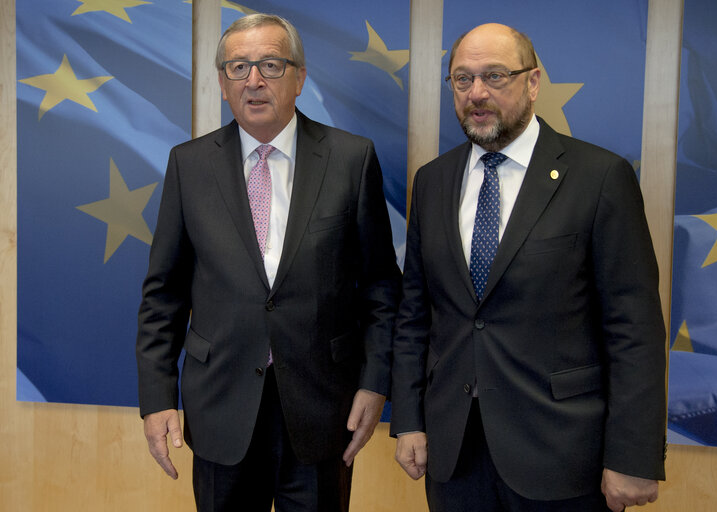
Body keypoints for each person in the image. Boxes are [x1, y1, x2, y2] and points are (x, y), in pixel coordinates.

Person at [391, 23, 667, 512]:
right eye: (462, 79)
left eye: (495, 76)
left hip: (562, 457)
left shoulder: (600, 178)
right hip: (454, 457)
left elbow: (634, 330)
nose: (477, 93)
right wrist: (409, 419)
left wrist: (634, 455)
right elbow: (415, 316)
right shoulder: (432, 182)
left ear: (533, 82)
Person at [136, 13, 401, 512]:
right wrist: (156, 399)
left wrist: (375, 383)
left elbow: (382, 290)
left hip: (324, 411)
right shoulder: (188, 166)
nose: (253, 80)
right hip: (219, 409)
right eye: (238, 67)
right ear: (221, 82)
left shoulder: (351, 159)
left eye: (271, 65)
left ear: (299, 78)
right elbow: (162, 297)